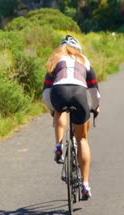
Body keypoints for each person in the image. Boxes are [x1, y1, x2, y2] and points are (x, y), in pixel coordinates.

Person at [42, 35, 100, 199]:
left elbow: (46, 93)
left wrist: (53, 110)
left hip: (59, 92)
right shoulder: (84, 60)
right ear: (78, 50)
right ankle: (85, 185)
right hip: (79, 94)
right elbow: (94, 92)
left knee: (59, 111)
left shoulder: (55, 59)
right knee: (82, 140)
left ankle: (58, 146)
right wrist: (95, 108)